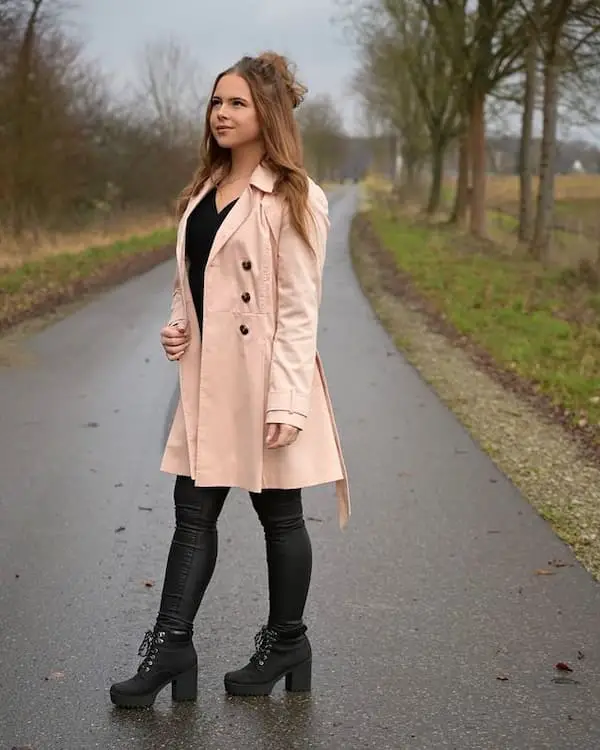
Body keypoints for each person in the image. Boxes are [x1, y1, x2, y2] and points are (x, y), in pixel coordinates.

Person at [109, 52, 350, 709]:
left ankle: (287, 640)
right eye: (217, 101)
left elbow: (300, 311)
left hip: (265, 381)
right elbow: (195, 283)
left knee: (279, 514)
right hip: (207, 381)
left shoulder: (295, 196)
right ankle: (172, 647)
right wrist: (176, 325)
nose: (222, 112)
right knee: (193, 512)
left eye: (238, 102)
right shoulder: (201, 194)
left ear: (265, 112)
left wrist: (290, 401)